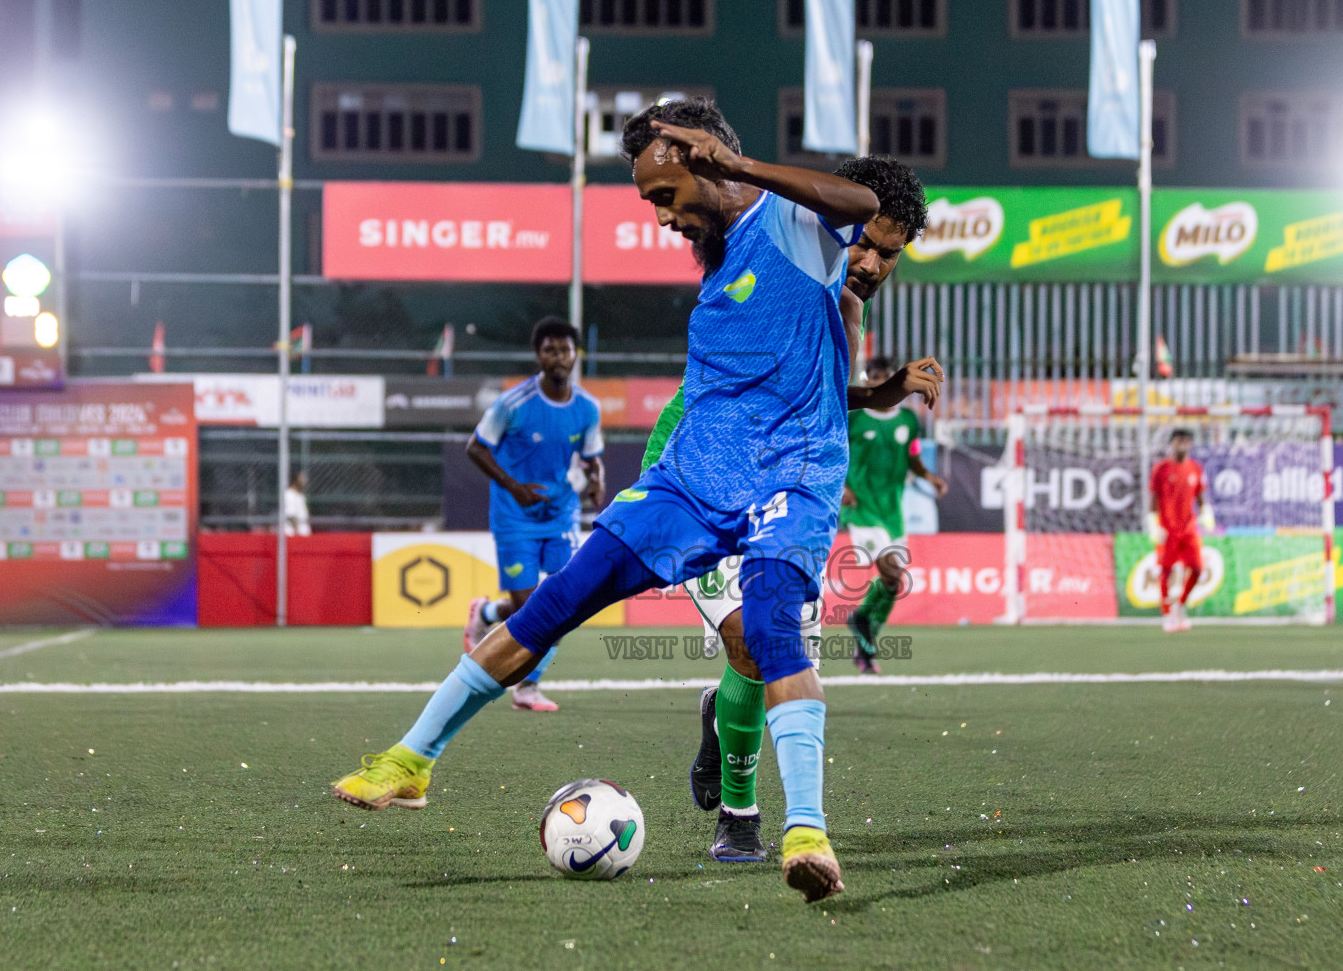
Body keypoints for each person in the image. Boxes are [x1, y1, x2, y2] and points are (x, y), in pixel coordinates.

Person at [332, 97, 879, 904]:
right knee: (557, 600)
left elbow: (860, 205)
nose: (662, 218)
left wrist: (742, 168)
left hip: (791, 478)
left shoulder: (793, 226)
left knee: (767, 628)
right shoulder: (723, 261)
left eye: (665, 196)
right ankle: (411, 761)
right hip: (690, 482)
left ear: (707, 163)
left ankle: (807, 832)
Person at [678, 155, 938, 863]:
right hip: (696, 472)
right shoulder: (769, 247)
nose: (876, 264)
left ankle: (736, 791)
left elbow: (819, 394)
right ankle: (741, 812)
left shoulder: (846, 312)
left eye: (892, 254)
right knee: (752, 646)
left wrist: (879, 394)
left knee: (762, 654)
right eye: (868, 243)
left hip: (779, 489)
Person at [459, 317, 605, 711]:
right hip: (514, 517)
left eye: (565, 349)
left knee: (563, 604)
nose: (558, 356)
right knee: (529, 608)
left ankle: (527, 687)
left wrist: (597, 479)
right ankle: (488, 613)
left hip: (560, 515)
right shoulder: (512, 403)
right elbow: (475, 447)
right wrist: (514, 487)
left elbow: (592, 457)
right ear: (538, 355)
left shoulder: (588, 408)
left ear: (576, 354)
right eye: (549, 349)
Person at [842, 355, 949, 674]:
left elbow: (912, 453)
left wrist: (927, 476)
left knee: (893, 583)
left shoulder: (908, 421)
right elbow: (834, 450)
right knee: (890, 571)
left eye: (882, 377)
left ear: (892, 380)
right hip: (862, 507)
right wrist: (843, 486)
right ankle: (861, 622)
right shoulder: (854, 417)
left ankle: (864, 633)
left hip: (892, 510)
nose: (876, 383)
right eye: (871, 377)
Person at [1147, 428, 1214, 633]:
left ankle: (1180, 605)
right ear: (1171, 443)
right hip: (1168, 530)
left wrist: (1206, 513)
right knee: (1165, 572)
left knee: (1196, 569)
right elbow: (1153, 501)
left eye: (1186, 440)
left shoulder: (1195, 468)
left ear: (1190, 444)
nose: (1182, 444)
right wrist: (1153, 523)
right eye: (1178, 440)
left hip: (1188, 530)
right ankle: (1167, 614)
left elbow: (1200, 498)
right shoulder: (1161, 469)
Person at [282, 470, 311, 536]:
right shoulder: (289, 494)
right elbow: (290, 514)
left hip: (304, 531)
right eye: (301, 479)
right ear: (295, 480)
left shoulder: (301, 496)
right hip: (294, 533)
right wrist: (296, 531)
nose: (304, 482)